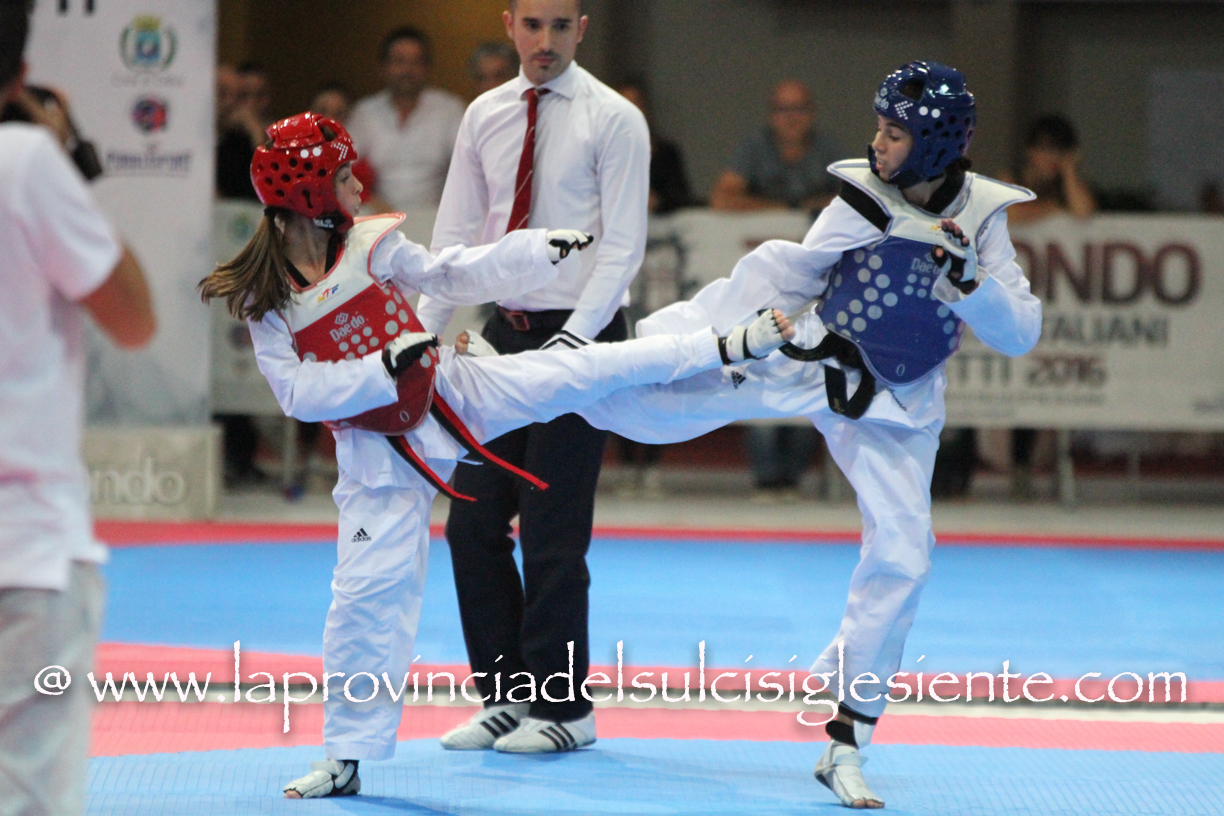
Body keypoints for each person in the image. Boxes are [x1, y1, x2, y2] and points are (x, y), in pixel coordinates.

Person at [198, 111, 791, 799]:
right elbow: (299, 394)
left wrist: (535, 253)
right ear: (308, 194)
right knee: (363, 600)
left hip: (452, 391)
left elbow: (449, 272)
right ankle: (344, 757)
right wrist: (383, 368)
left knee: (584, 371)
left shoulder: (367, 243)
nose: (359, 184)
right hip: (378, 456)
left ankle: (723, 346)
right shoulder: (267, 299)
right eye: (343, 175)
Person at [580, 61, 1040, 808]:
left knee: (905, 555)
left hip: (900, 401)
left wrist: (971, 285)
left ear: (933, 143)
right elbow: (784, 274)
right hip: (809, 357)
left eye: (894, 133)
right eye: (879, 128)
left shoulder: (984, 217)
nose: (877, 142)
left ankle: (846, 740)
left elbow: (1021, 333)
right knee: (645, 406)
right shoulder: (862, 195)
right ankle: (549, 375)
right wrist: (695, 342)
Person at [415, 0, 653, 755]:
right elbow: (453, 239)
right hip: (504, 335)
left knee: (552, 531)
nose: (544, 41)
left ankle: (566, 709)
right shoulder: (484, 115)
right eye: (531, 25)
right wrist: (415, 340)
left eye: (559, 26)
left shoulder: (615, 119)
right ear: (509, 23)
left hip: (582, 339)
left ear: (582, 28)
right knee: (471, 522)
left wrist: (576, 345)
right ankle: (507, 697)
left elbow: (622, 247)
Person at [0, 3, 156, 813]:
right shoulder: (26, 161)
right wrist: (67, 162)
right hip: (21, 547)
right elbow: (133, 320)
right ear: (20, 78)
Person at [1002, 115, 1098, 497]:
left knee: (1051, 380)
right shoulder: (1010, 180)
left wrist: (1070, 173)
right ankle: (1018, 466)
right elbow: (1009, 214)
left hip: (1057, 303)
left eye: (1059, 152)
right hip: (1012, 298)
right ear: (1031, 151)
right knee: (1015, 380)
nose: (1051, 159)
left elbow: (1083, 212)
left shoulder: (1067, 187)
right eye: (1045, 150)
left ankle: (1055, 463)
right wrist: (1053, 210)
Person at [347, 27, 465, 211]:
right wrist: (367, 197)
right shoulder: (365, 113)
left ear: (427, 67)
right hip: (378, 215)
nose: (407, 70)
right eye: (399, 61)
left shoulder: (449, 109)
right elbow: (340, 169)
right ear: (383, 67)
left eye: (415, 62)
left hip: (436, 215)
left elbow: (469, 165)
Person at [710, 79, 842, 212]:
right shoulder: (754, 146)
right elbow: (722, 199)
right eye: (783, 109)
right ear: (771, 114)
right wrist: (782, 209)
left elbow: (852, 196)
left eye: (800, 109)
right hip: (766, 222)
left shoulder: (829, 147)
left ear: (812, 113)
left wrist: (814, 206)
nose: (792, 117)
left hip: (815, 222)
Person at [615, 77, 692, 214]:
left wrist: (656, 201)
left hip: (657, 220)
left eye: (635, 103)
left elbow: (681, 196)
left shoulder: (666, 152)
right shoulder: (601, 151)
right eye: (624, 104)